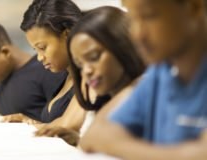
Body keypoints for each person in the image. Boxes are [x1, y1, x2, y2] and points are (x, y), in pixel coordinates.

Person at [80, 0, 207, 159]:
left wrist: (118, 145)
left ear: (193, 7)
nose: (137, 34)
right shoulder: (160, 73)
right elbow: (95, 134)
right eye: (131, 19)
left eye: (148, 16)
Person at [34, 6, 145, 146]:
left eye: (94, 57)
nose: (86, 71)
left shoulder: (143, 91)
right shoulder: (103, 98)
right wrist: (76, 139)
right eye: (79, 64)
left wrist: (95, 144)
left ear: (123, 47)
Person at [4, 0, 83, 124]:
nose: (40, 57)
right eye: (35, 50)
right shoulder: (65, 77)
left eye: (42, 48)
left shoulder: (88, 79)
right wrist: (30, 122)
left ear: (67, 34)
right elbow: (55, 126)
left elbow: (67, 127)